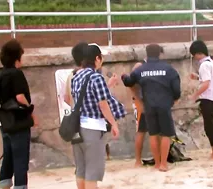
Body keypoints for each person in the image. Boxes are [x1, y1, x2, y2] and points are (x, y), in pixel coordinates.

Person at [121, 44, 181, 172]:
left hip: (148, 105)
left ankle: (157, 163)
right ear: (160, 53)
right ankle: (164, 164)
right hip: (164, 104)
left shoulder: (141, 69)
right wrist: (173, 100)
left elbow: (129, 82)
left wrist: (123, 77)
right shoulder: (168, 69)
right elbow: (176, 89)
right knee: (165, 134)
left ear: (147, 54)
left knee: (153, 134)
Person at [71, 43, 120, 189]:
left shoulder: (76, 77)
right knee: (92, 173)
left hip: (77, 129)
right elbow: (102, 104)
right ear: (97, 59)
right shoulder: (96, 77)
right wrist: (114, 123)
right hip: (92, 129)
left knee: (81, 170)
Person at [64, 42, 124, 160]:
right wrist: (113, 123)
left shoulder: (74, 76)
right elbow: (98, 100)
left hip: (77, 125)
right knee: (92, 167)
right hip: (92, 125)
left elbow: (67, 98)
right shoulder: (93, 76)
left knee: (82, 166)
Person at [0, 39, 38, 189]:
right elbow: (19, 97)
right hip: (18, 121)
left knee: (8, 156)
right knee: (20, 159)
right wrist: (30, 108)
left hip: (4, 122)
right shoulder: (16, 74)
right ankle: (20, 186)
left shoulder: (0, 76)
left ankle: (4, 184)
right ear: (17, 57)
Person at [189, 40, 213, 160]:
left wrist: (195, 95)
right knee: (211, 126)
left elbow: (206, 84)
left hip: (208, 99)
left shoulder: (204, 65)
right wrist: (197, 77)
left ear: (198, 53)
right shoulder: (212, 63)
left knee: (209, 127)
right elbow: (209, 80)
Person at [128, 60, 149, 167]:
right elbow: (133, 87)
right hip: (140, 104)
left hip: (145, 103)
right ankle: (137, 160)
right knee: (141, 131)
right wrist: (139, 103)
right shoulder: (139, 69)